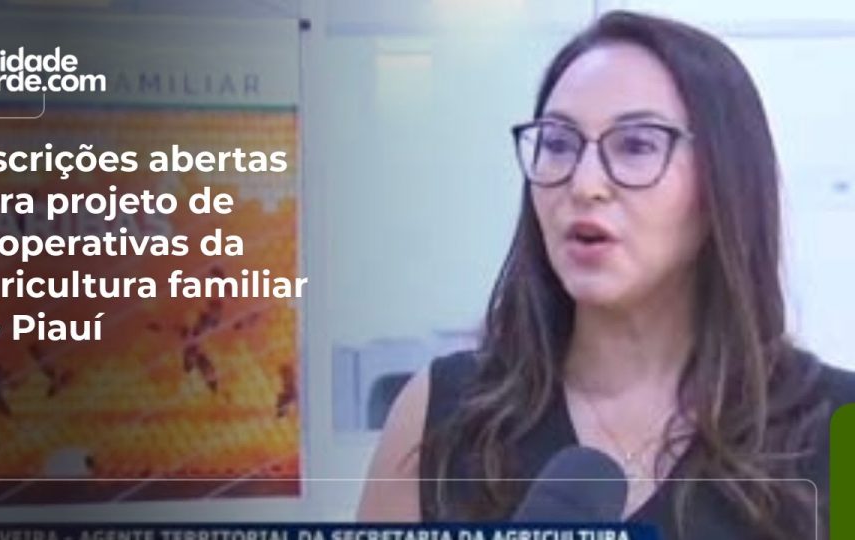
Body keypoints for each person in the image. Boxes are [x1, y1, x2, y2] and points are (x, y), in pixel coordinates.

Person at [357, 10, 855, 540]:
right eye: (558, 144)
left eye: (636, 145)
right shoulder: (442, 413)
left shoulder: (835, 426)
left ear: (724, 182)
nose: (585, 184)